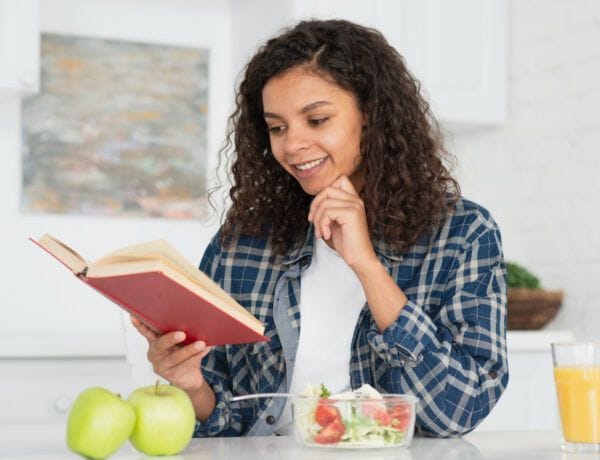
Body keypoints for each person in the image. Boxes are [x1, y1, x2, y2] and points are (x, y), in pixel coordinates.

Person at [131, 19, 508, 438]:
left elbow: (459, 411)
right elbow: (227, 422)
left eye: (317, 119)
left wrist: (366, 265)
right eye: (277, 127)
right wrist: (191, 384)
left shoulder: (463, 234)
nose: (292, 145)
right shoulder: (242, 244)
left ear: (371, 117)